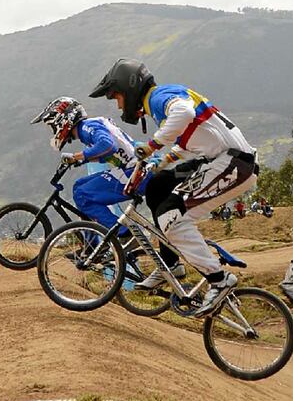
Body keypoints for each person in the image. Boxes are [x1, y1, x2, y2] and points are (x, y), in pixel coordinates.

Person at [89, 58, 258, 315]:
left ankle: (218, 279)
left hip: (232, 164)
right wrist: (163, 161)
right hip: (219, 160)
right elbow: (190, 137)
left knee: (172, 217)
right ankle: (170, 265)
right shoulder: (162, 99)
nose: (119, 105)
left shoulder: (159, 98)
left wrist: (152, 146)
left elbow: (184, 114)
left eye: (117, 97)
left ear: (129, 89)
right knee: (157, 187)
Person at [31, 96, 147, 240]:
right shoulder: (90, 126)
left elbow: (108, 145)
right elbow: (110, 153)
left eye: (53, 126)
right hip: (134, 168)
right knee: (79, 186)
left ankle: (125, 235)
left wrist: (77, 156)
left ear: (63, 119)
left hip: (136, 173)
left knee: (82, 194)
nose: (54, 130)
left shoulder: (87, 127)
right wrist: (81, 160)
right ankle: (91, 244)